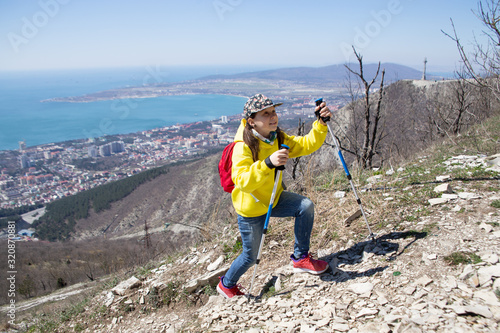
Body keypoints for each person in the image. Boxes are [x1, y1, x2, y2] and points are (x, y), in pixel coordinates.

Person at [217, 94, 333, 299]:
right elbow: (242, 181)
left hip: (274, 199)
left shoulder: (276, 137)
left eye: (273, 112)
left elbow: (307, 144)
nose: (273, 117)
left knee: (305, 206)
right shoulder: (242, 146)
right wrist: (267, 163)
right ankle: (227, 284)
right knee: (250, 256)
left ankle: (300, 258)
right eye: (266, 113)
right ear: (251, 121)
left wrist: (320, 124)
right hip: (251, 210)